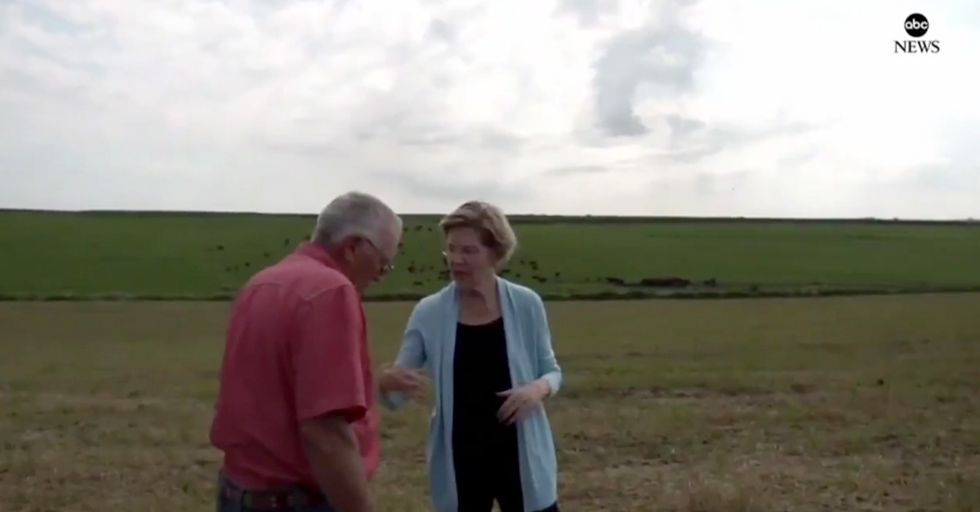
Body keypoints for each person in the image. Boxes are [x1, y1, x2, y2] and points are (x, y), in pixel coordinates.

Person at [209, 191, 426, 512]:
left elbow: (280, 386)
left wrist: (374, 383)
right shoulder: (331, 292)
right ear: (353, 247)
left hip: (239, 491)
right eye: (383, 263)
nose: (382, 275)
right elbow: (325, 433)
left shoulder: (263, 282)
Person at [382, 200, 563, 512]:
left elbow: (552, 371)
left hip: (521, 456)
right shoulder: (429, 312)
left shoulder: (526, 304)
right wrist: (385, 381)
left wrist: (537, 390)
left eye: (468, 251)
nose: (456, 260)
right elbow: (397, 389)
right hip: (461, 460)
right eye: (451, 250)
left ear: (495, 254)